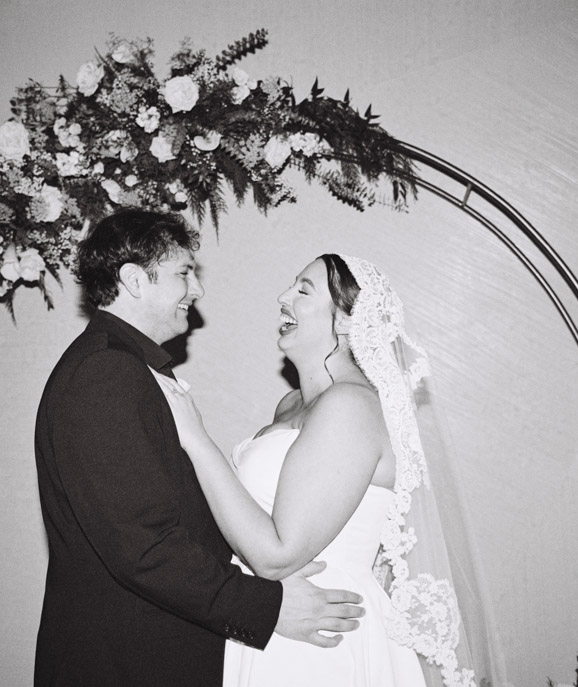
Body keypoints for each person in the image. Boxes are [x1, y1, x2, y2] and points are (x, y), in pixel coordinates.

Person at [33, 211, 365, 687]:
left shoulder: (125, 365)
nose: (197, 290)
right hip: (127, 662)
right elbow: (143, 546)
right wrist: (266, 607)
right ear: (133, 280)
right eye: (184, 272)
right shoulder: (106, 373)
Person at [155, 254, 503, 687]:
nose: (283, 297)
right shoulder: (292, 405)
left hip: (320, 635)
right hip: (275, 616)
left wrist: (195, 437)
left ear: (344, 320)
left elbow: (276, 555)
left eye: (303, 290)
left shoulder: (350, 405)